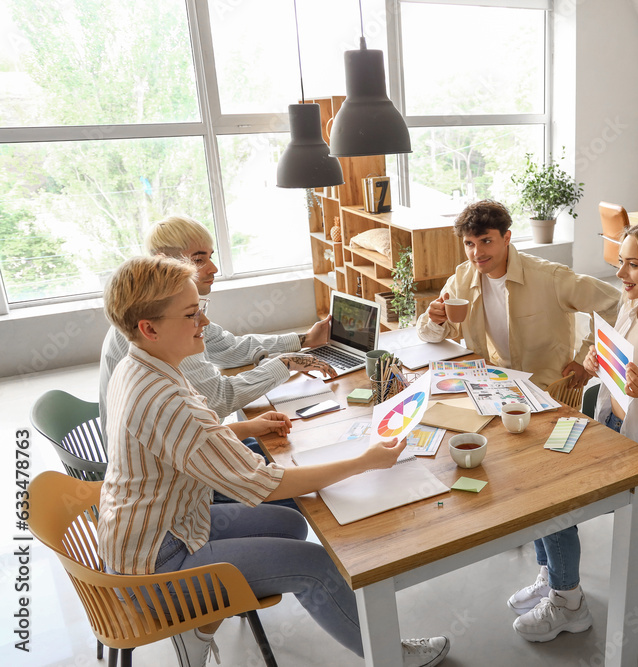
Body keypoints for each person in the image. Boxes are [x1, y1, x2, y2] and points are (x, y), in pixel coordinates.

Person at [98, 255, 450, 667]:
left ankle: (201, 628)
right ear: (149, 327)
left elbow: (180, 444)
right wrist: (364, 461)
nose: (204, 324)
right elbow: (268, 484)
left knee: (290, 522)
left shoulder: (137, 366)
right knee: (316, 565)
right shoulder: (166, 397)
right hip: (158, 566)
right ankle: (392, 658)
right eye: (192, 314)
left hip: (153, 531)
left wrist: (247, 429)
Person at [507, 220, 638, 642]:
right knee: (530, 469)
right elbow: (617, 373)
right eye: (620, 262)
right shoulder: (630, 307)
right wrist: (593, 368)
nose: (620, 275)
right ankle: (553, 575)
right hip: (611, 431)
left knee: (551, 494)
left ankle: (569, 604)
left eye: (633, 266)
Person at [98, 215, 336, 434]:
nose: (213, 268)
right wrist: (284, 363)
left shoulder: (165, 311)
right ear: (164, 260)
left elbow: (227, 348)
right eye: (198, 259)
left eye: (210, 257)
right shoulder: (163, 330)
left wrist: (304, 340)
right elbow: (218, 399)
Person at [416, 200, 619, 389]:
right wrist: (436, 321)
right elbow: (426, 334)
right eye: (469, 243)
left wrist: (585, 359)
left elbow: (614, 304)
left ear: (506, 238)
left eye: (486, 241)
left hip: (548, 391)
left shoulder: (550, 277)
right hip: (495, 386)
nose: (477, 253)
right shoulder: (461, 280)